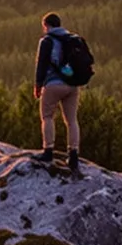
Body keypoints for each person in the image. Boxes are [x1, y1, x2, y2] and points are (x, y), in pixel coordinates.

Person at [33, 12, 84, 175]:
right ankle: (74, 154)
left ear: (46, 25)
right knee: (71, 120)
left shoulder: (47, 41)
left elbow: (41, 64)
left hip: (53, 84)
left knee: (47, 116)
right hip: (73, 85)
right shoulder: (70, 39)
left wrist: (38, 85)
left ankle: (48, 151)